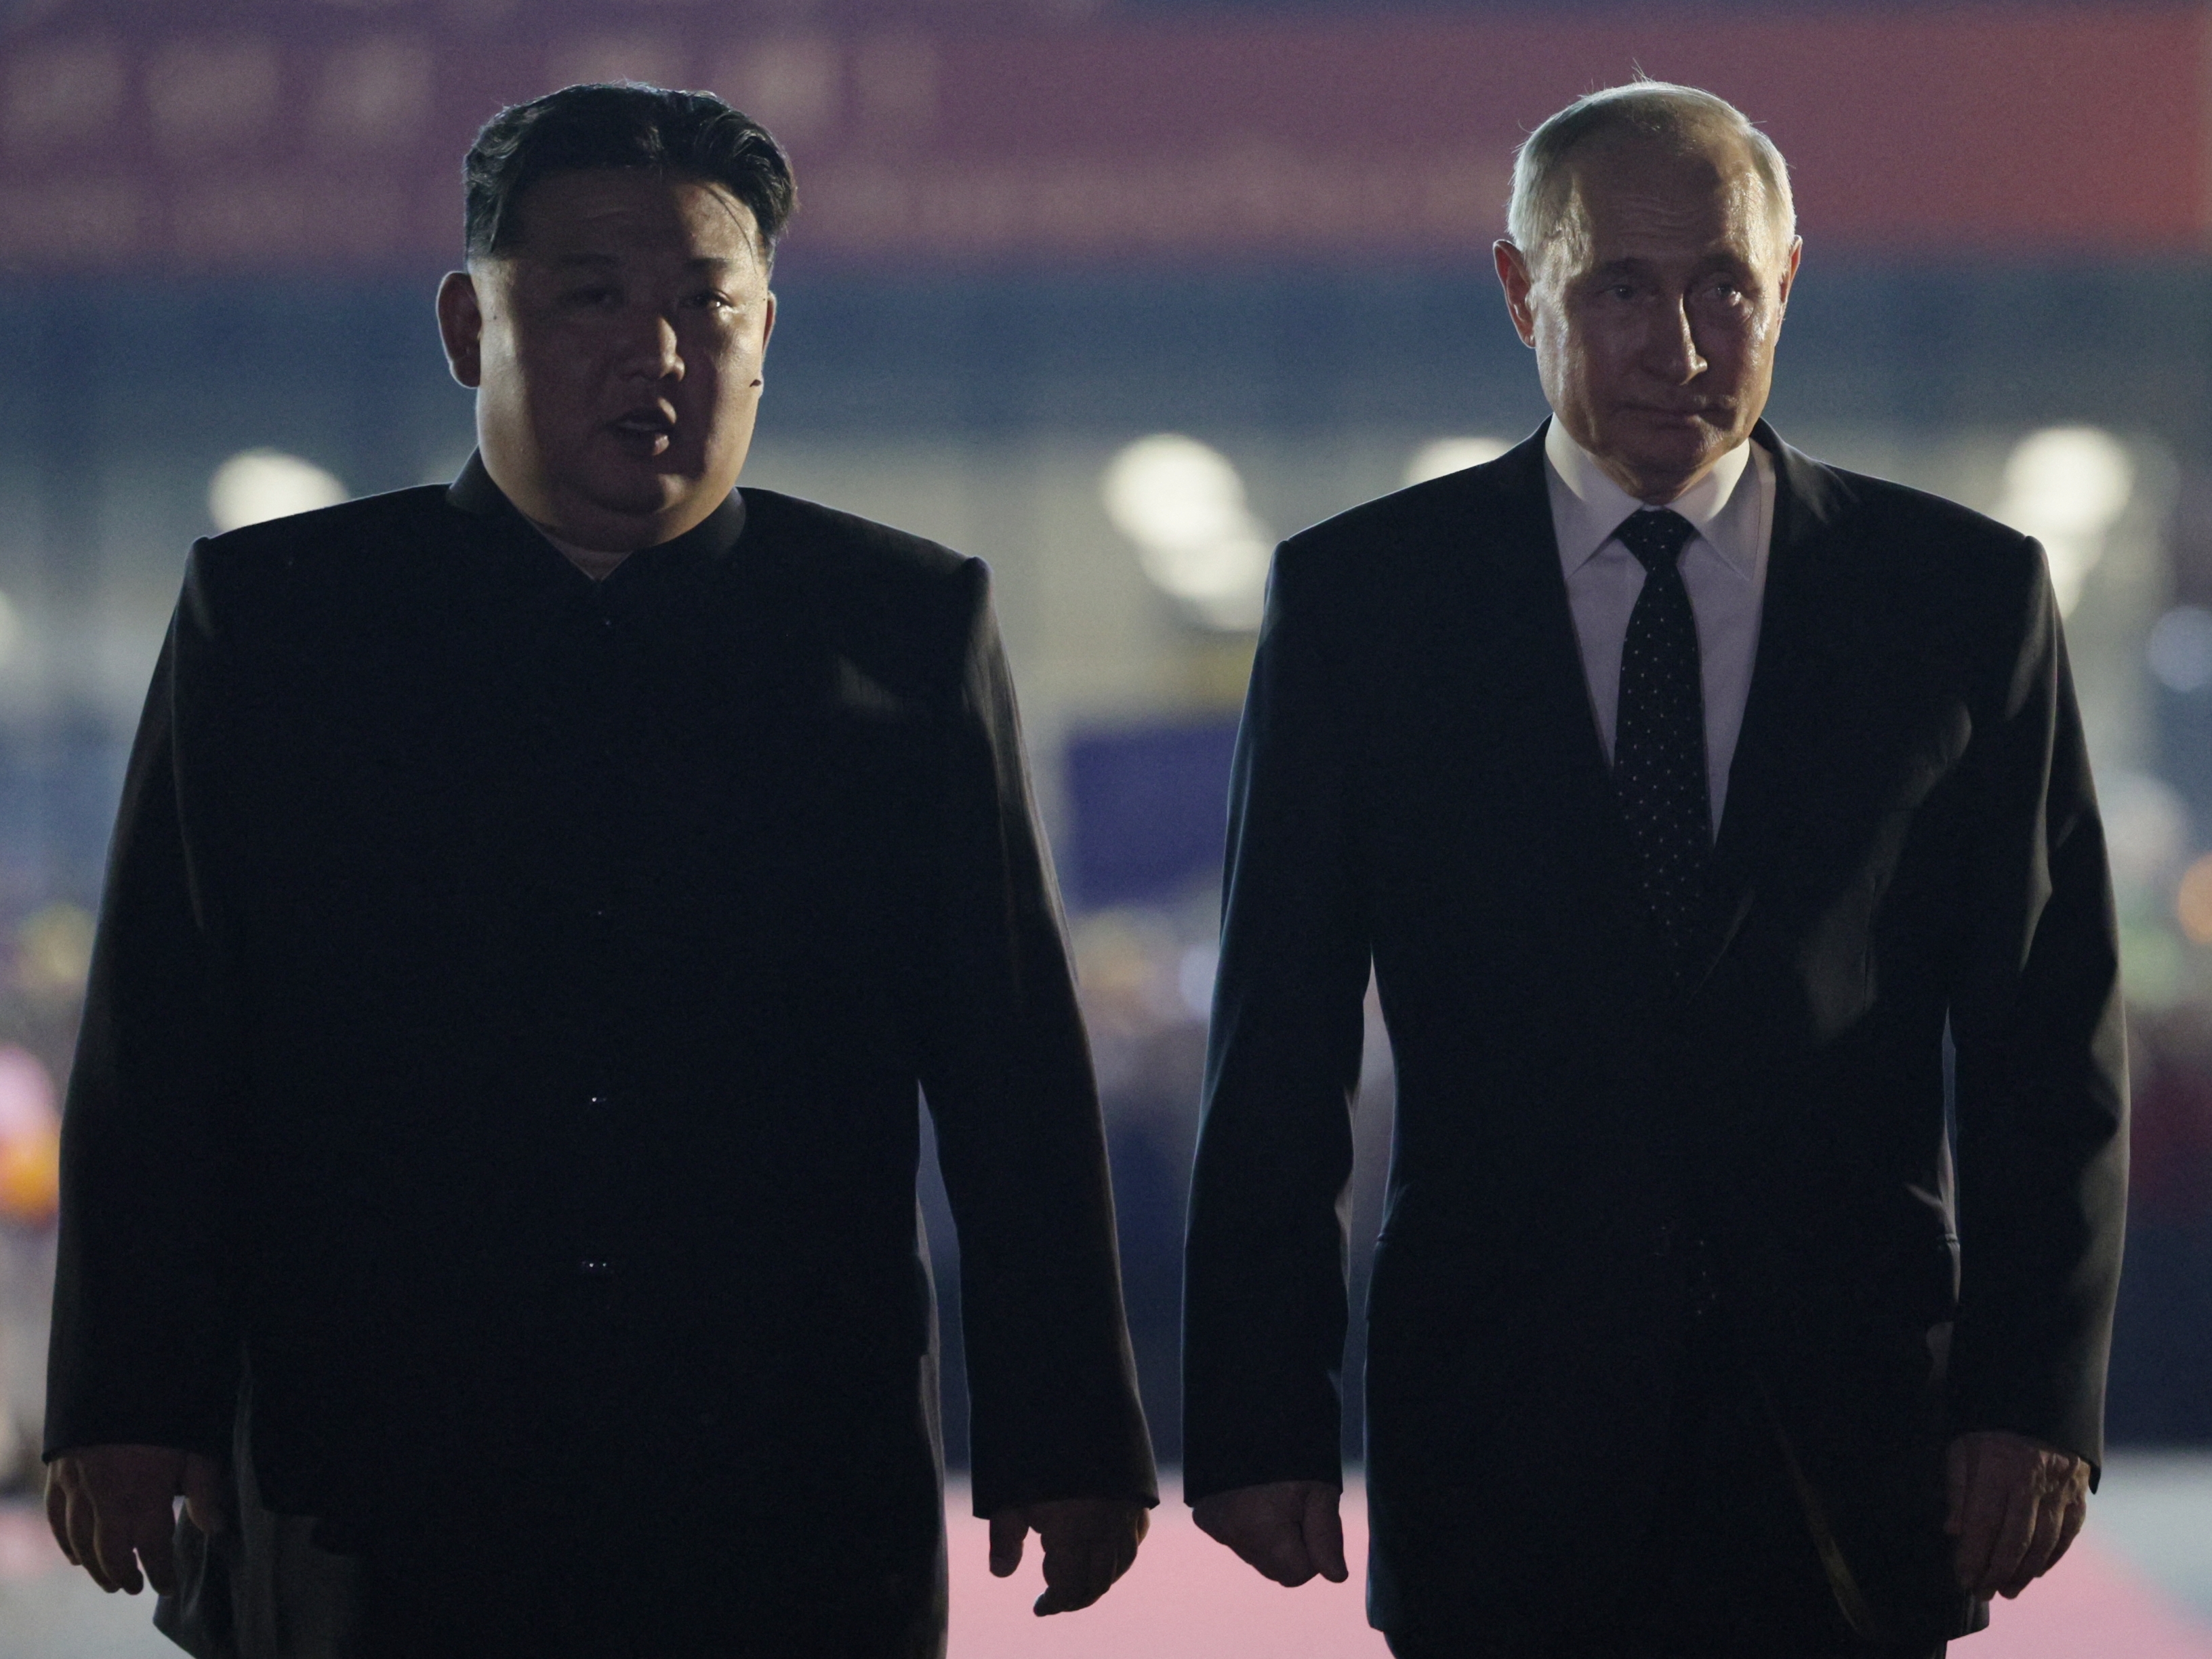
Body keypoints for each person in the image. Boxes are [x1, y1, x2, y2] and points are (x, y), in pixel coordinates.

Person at [42, 83, 1154, 1659]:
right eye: (589, 298)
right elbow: (165, 1036)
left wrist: (1070, 1431)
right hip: (370, 1466)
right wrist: (122, 1401)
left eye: (709, 305)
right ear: (463, 321)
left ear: (769, 329)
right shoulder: (286, 623)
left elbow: (1011, 1063)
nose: (657, 354)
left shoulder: (898, 631)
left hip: (782, 1482)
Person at [1181, 81, 2126, 1659]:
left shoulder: (1960, 601)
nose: (1678, 349)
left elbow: (2049, 1037)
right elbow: (1276, 1039)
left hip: (1856, 1437)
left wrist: (2034, 1401)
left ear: (1790, 282)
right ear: (1518, 290)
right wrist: (1261, 1412)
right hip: (1499, 1434)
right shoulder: (1365, 606)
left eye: (1724, 290)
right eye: (1619, 287)